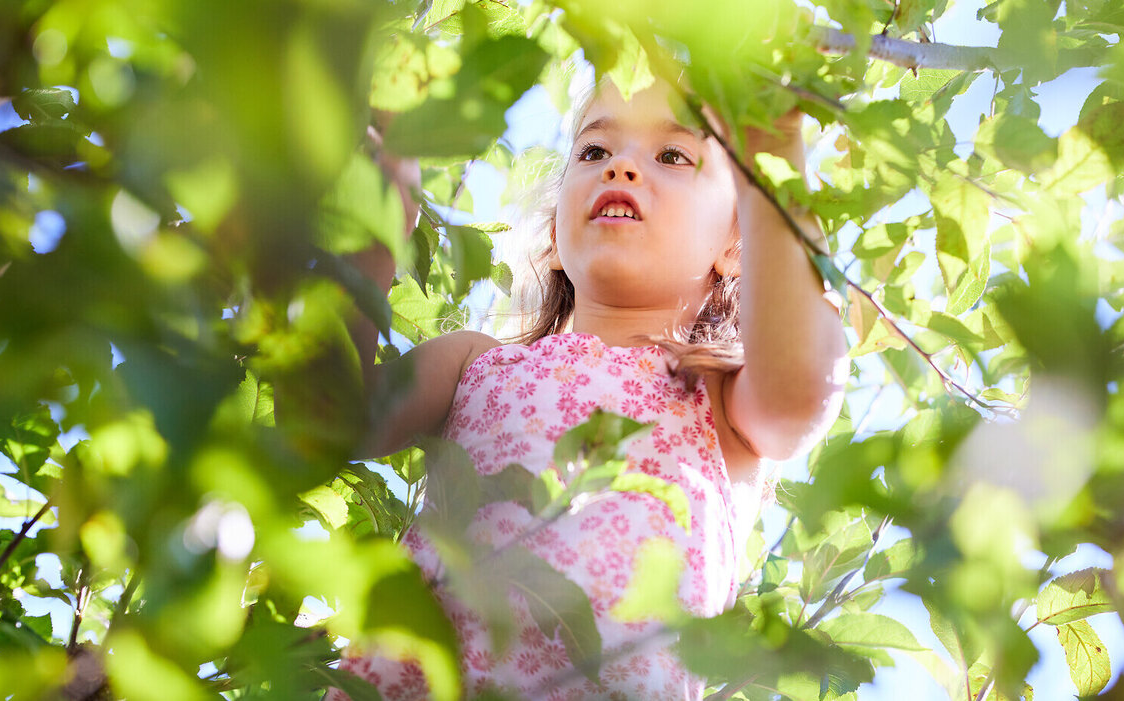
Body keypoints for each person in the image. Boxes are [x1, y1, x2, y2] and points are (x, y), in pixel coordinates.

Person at [334, 78, 848, 700]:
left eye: (673, 156)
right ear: (553, 236)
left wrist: (772, 152)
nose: (624, 167)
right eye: (594, 152)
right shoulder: (477, 366)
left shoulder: (718, 400)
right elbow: (323, 417)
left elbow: (800, 390)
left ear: (737, 242)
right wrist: (378, 215)